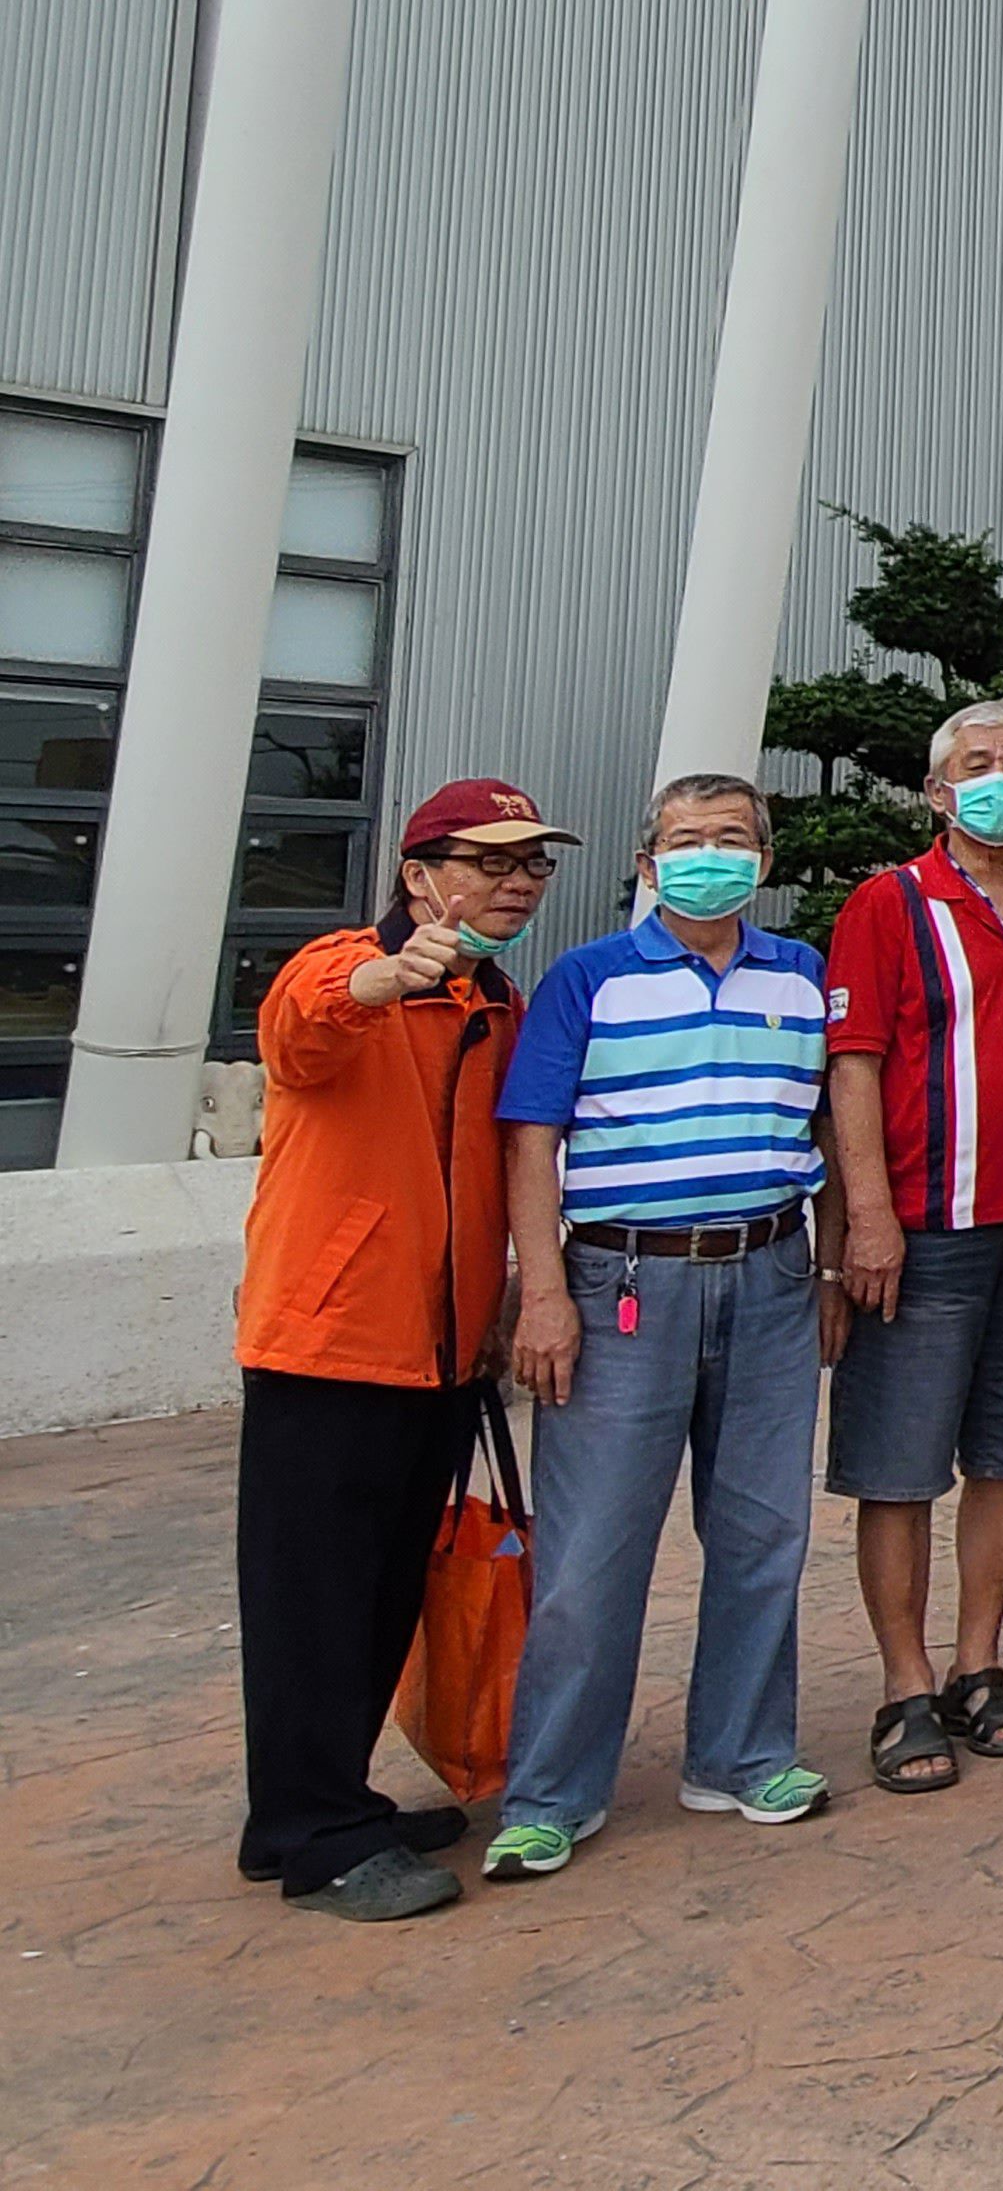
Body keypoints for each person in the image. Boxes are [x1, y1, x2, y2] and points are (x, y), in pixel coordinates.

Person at [483, 775, 833, 1881]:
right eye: (686, 841)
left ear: (763, 862)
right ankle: (551, 1790)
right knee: (591, 1553)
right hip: (624, 1282)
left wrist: (827, 1260)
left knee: (763, 1533)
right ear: (647, 864)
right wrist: (541, 1292)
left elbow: (827, 1116)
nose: (710, 857)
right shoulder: (587, 980)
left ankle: (741, 1754)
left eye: (733, 839)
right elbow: (531, 1141)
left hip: (771, 1272)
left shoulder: (803, 975)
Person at [235, 776, 571, 1920]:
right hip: (328, 1344)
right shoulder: (343, 973)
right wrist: (383, 977)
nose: (516, 881)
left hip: (437, 1353)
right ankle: (316, 1830)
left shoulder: (496, 1001)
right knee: (312, 1598)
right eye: (488, 860)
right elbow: (303, 1030)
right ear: (419, 875)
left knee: (384, 1592)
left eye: (532, 864)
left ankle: (314, 1803)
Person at [820, 701, 1003, 1793]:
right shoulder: (888, 904)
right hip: (924, 1230)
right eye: (978, 765)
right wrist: (869, 1217)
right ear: (939, 793)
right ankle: (904, 1682)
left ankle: (979, 1666)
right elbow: (853, 1064)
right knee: (897, 1469)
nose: (1001, 779)